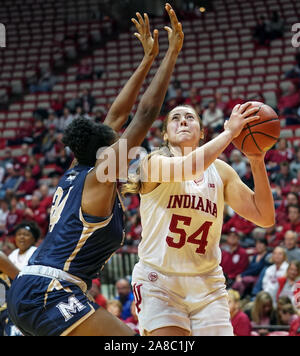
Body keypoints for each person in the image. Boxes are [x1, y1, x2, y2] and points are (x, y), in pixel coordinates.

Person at [7, 4, 184, 336]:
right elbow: (144, 114)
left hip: (32, 287)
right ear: (105, 152)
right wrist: (172, 54)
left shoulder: (77, 169)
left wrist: (146, 60)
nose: (120, 143)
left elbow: (115, 118)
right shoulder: (102, 177)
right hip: (51, 291)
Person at [123, 98, 275, 335]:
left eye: (190, 117)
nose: (183, 120)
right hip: (160, 281)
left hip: (207, 283)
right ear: (165, 135)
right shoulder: (152, 164)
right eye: (175, 118)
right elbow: (191, 168)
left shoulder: (222, 172)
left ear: (202, 132)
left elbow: (264, 217)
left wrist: (256, 160)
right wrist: (229, 133)